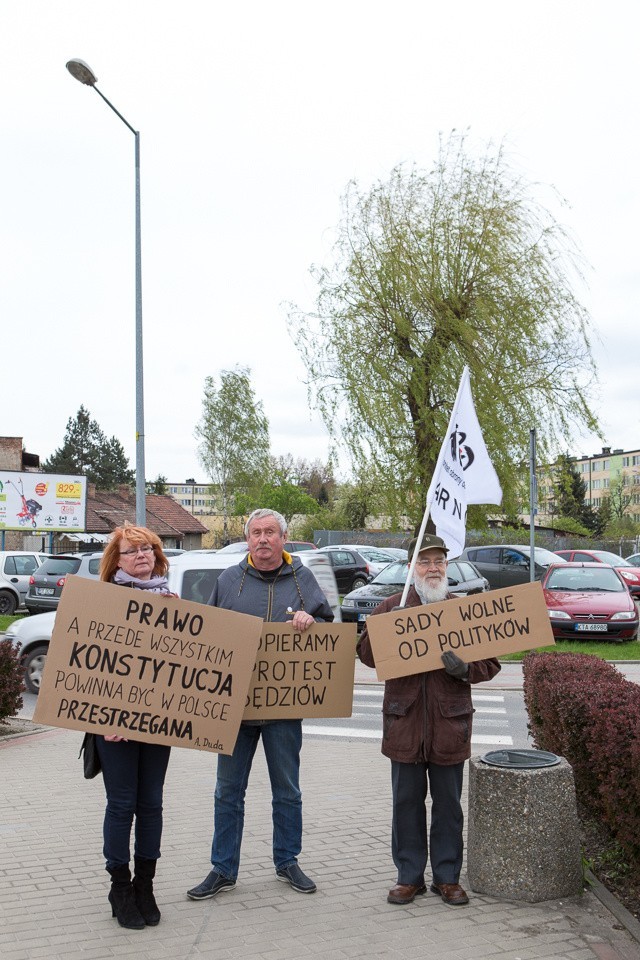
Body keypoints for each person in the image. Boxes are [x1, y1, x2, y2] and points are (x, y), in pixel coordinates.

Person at [187, 508, 334, 901]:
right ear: (247, 539)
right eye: (256, 532)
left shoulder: (303, 580)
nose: (263, 539)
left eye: (271, 532)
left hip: (283, 711)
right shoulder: (228, 580)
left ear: (284, 539)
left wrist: (312, 622)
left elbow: (329, 633)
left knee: (287, 790)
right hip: (235, 712)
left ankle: (287, 861)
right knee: (227, 792)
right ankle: (223, 869)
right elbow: (208, 637)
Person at [357, 532, 501, 907]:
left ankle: (447, 878)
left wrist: (465, 669)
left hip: (449, 725)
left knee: (449, 805)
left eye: (439, 561)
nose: (433, 568)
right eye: (425, 561)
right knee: (405, 803)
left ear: (447, 567)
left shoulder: (462, 610)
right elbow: (366, 655)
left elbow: (491, 664)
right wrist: (391, 623)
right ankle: (409, 877)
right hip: (404, 725)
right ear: (411, 569)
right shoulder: (391, 605)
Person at [95, 525, 175, 930]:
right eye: (132, 550)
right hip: (114, 727)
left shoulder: (172, 601)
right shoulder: (104, 600)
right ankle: (120, 886)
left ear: (157, 555)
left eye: (147, 549)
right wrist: (105, 716)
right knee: (122, 804)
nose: (141, 555)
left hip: (158, 723)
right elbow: (88, 662)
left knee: (152, 804)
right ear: (118, 559)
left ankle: (146, 885)